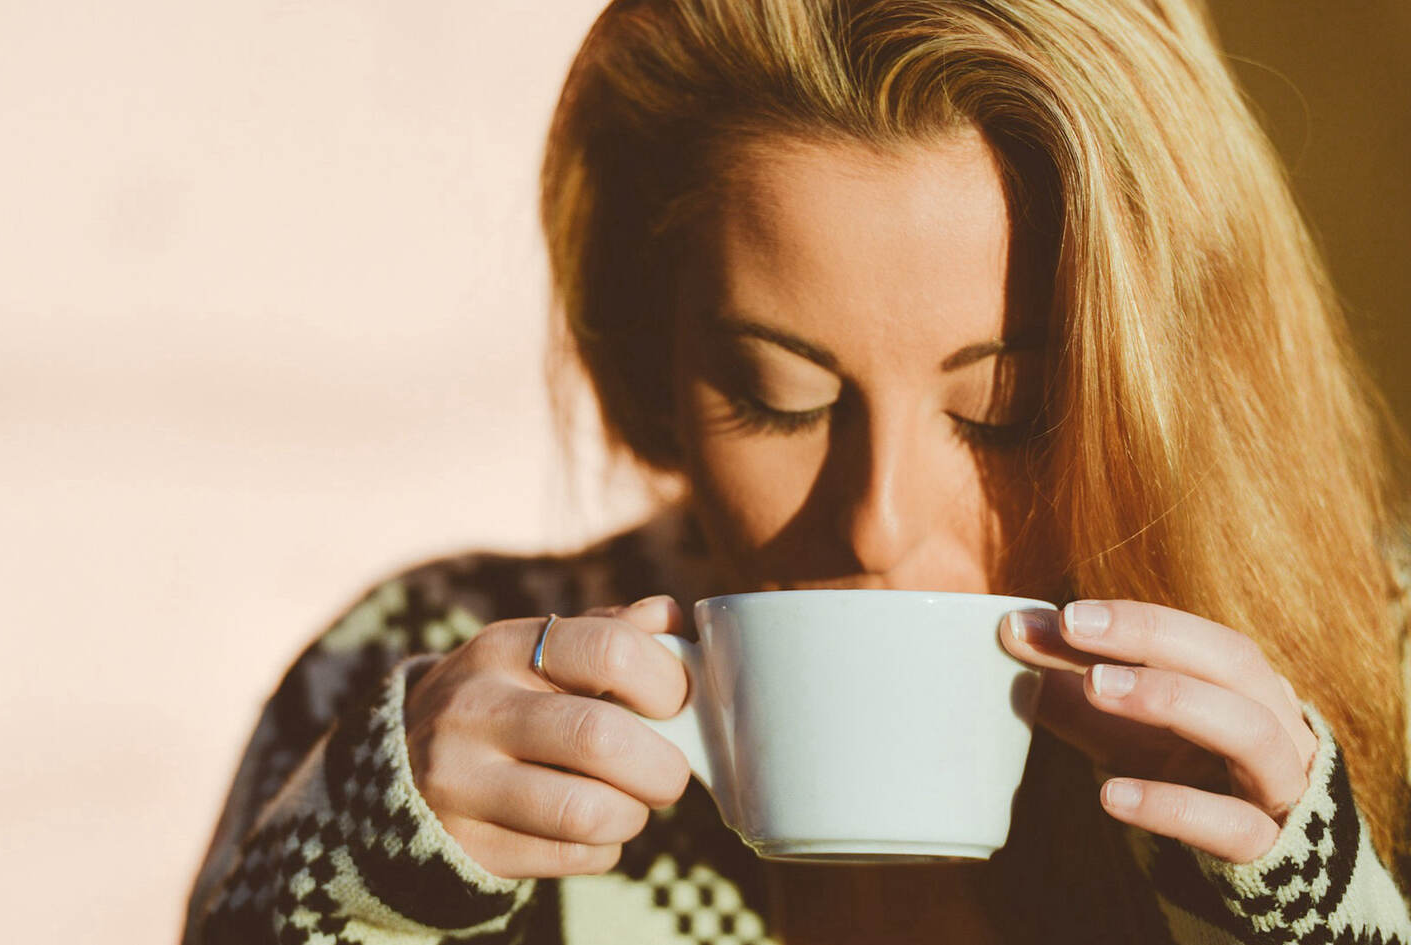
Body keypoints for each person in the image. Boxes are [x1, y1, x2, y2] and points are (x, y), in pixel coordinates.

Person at [182, 0, 1411, 941]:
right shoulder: (423, 662)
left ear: (1183, 376)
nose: (875, 524)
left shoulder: (1384, 672)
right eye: (783, 398)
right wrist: (357, 891)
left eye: (1007, 412)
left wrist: (1328, 903)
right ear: (653, 349)